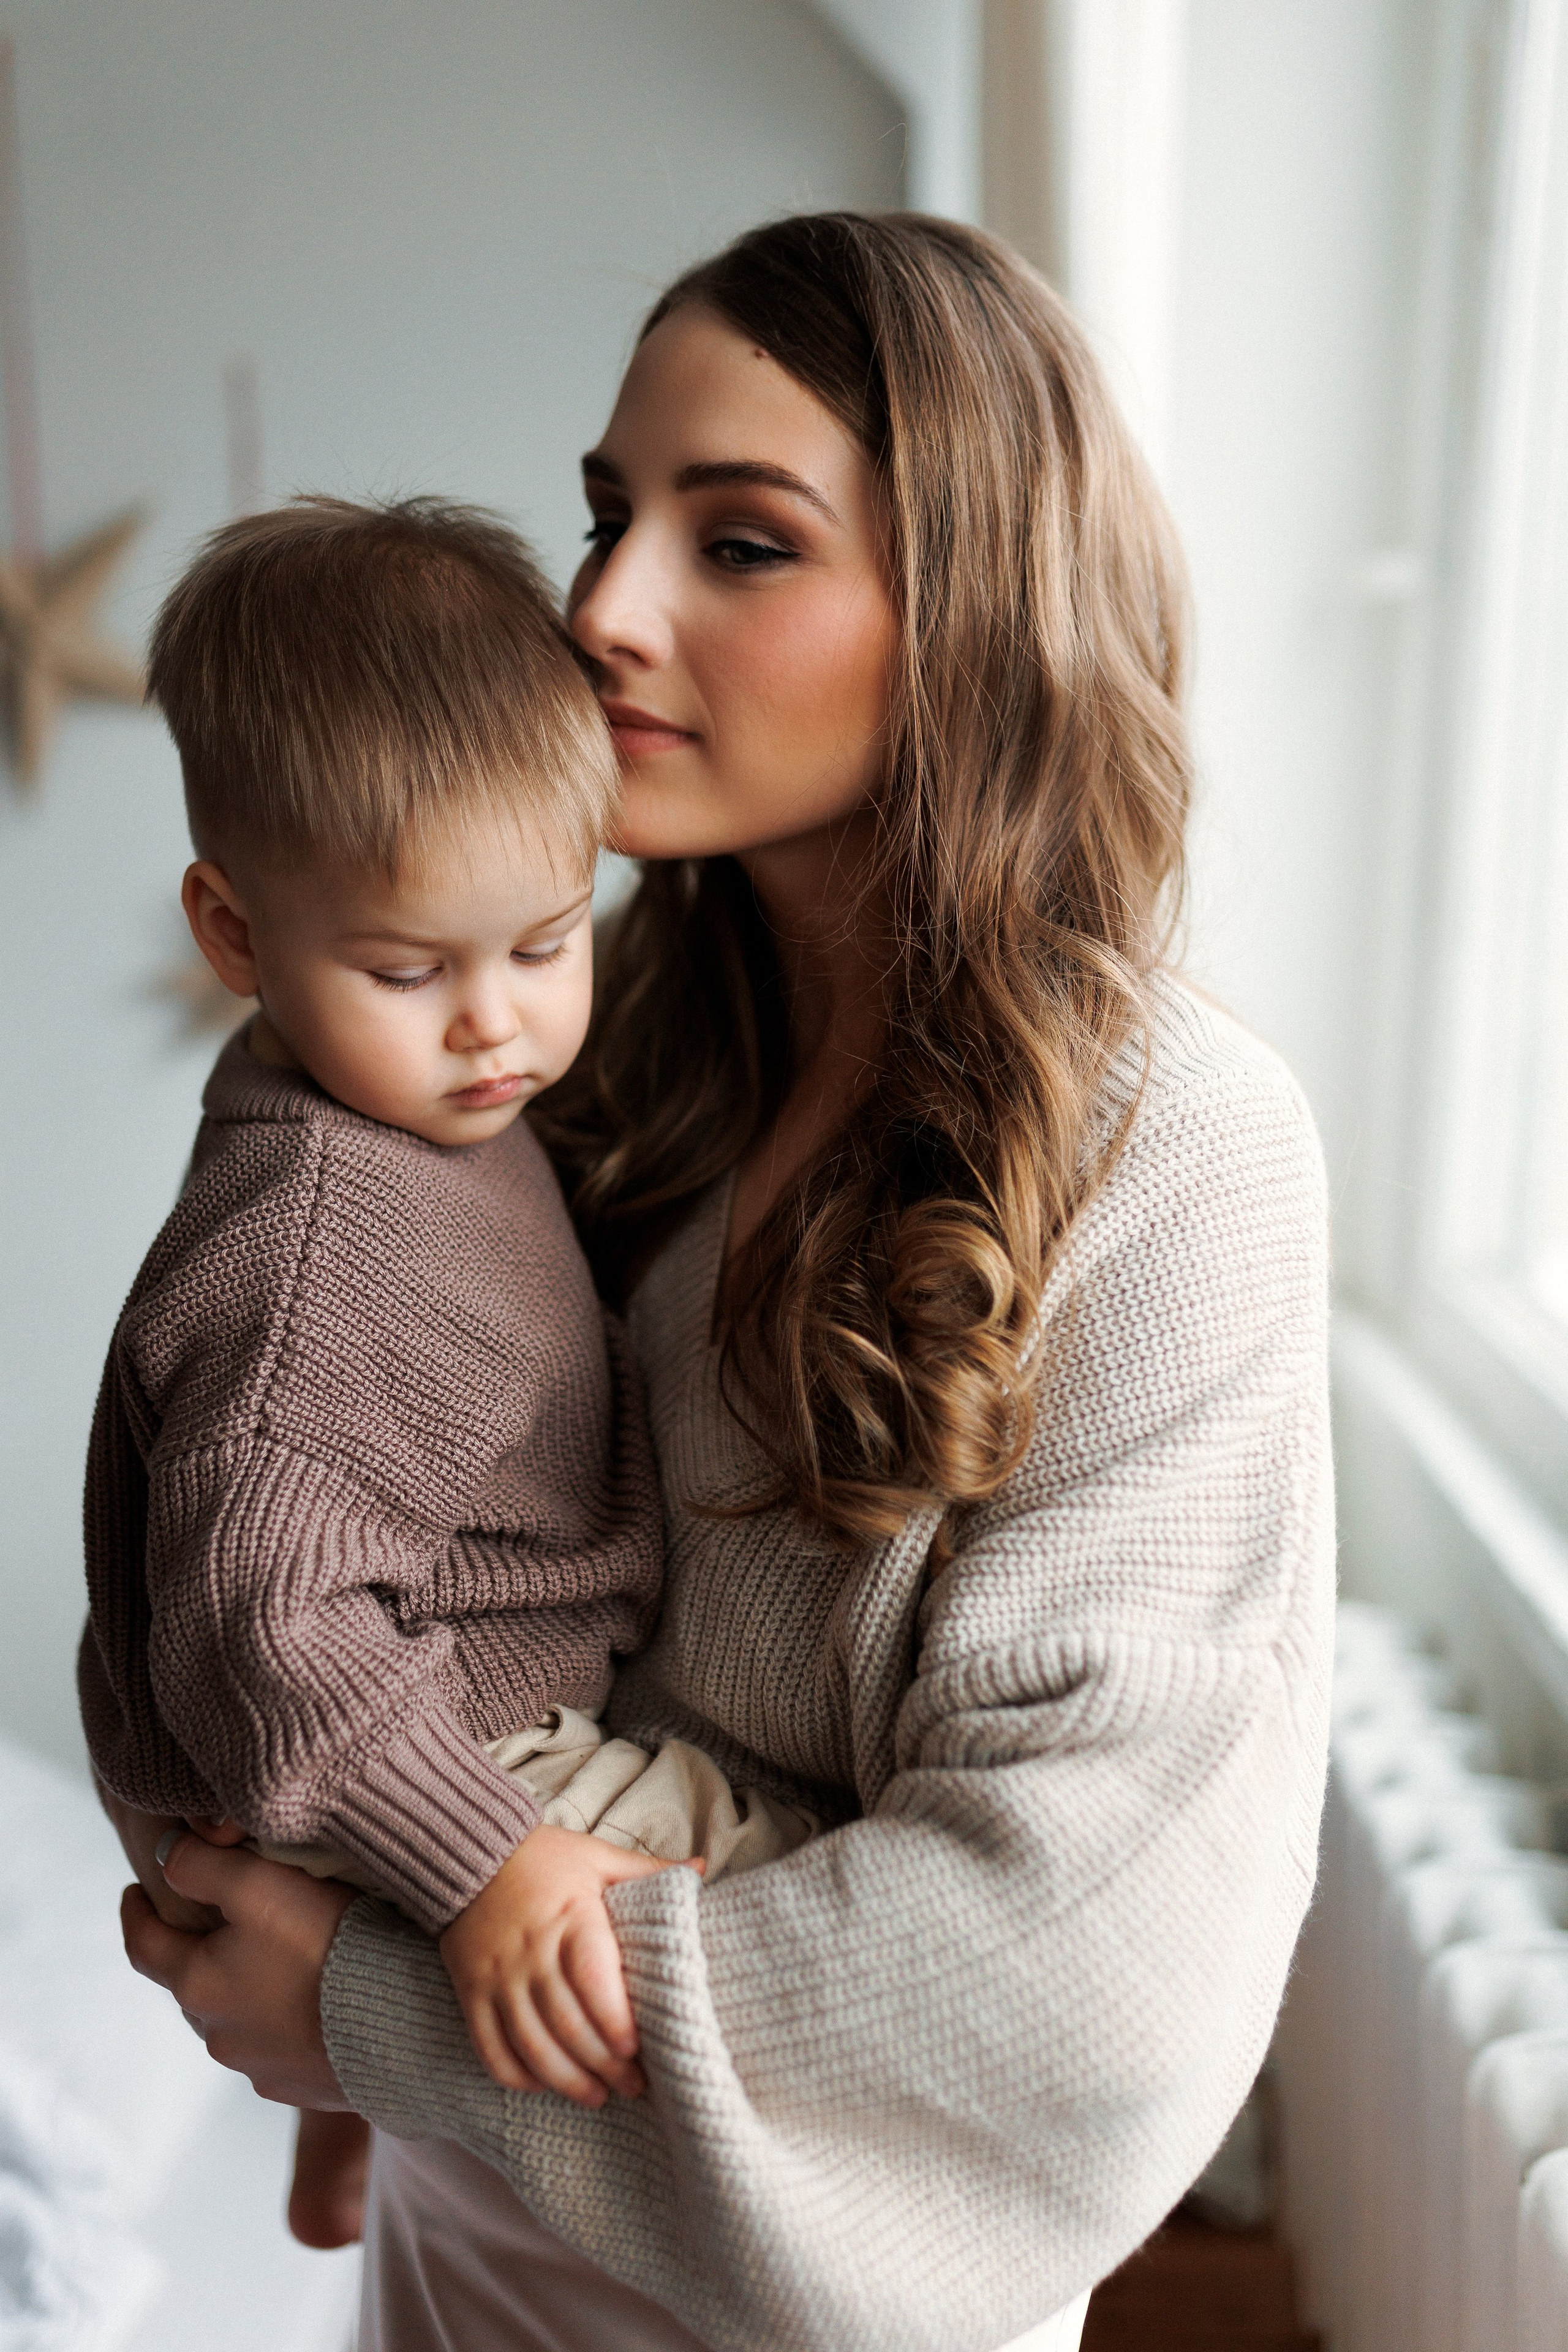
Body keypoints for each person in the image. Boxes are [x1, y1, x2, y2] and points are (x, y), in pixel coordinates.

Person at [116, 214, 1334, 2352]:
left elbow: (1087, 1986)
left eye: (741, 542)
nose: (600, 612)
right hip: (468, 2236)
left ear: (977, 614)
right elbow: (275, 1528)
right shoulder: (590, 1089)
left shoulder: (1177, 1150)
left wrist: (376, 2014)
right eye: (605, 516)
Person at [82, 495, 812, 2253]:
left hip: (320, 1733)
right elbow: (268, 1623)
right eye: (409, 969)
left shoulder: (411, 1113)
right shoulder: (320, 1253)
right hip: (382, 1744)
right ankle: (375, 2095)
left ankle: (341, 2141)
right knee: (775, 1866)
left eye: (548, 943)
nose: (494, 1023)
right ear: (236, 936)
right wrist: (490, 1860)